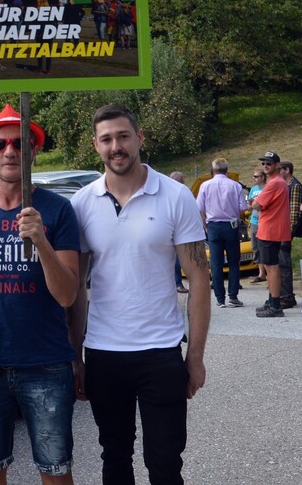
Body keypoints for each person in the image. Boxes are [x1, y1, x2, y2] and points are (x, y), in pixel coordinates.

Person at [69, 104, 210, 485]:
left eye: (123, 136)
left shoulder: (175, 195)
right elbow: (76, 290)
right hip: (103, 352)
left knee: (165, 463)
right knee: (114, 458)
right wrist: (76, 356)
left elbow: (199, 279)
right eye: (107, 139)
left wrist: (194, 357)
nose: (116, 146)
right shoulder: (81, 204)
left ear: (140, 138)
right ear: (96, 146)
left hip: (160, 352)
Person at [0, 105, 80, 484]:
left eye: (21, 143)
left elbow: (68, 295)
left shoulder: (58, 210)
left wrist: (41, 241)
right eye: (0, 144)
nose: (10, 151)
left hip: (45, 362)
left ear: (34, 151)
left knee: (55, 472)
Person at [197, 158, 247, 308]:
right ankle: (233, 295)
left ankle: (220, 298)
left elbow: (199, 207)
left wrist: (205, 223)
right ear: (227, 170)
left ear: (213, 170)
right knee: (233, 262)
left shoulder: (205, 185)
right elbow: (243, 207)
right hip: (231, 226)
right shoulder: (235, 185)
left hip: (213, 225)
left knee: (216, 263)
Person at [251, 151, 292, 316]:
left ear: (277, 165)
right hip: (271, 229)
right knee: (270, 266)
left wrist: (255, 201)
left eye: (269, 163)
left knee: (271, 267)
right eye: (264, 163)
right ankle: (272, 299)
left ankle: (276, 305)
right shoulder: (278, 182)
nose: (265, 166)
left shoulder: (274, 183)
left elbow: (256, 205)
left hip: (269, 230)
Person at [278, 160, 302, 247]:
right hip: (281, 227)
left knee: (284, 255)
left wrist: (289, 232)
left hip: (287, 230)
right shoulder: (284, 185)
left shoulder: (295, 186)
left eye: (279, 170)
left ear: (287, 170)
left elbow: (294, 212)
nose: (277, 173)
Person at [169, 171, 189, 294]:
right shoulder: (179, 193)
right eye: (182, 181)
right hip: (176, 229)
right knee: (177, 258)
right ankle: (177, 283)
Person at [247, 167, 267, 284]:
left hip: (264, 221)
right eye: (254, 176)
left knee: (264, 246)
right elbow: (249, 208)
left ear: (263, 177)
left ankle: (268, 271)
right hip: (254, 221)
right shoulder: (253, 189)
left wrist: (256, 204)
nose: (254, 178)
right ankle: (261, 273)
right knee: (255, 247)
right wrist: (250, 204)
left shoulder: (267, 188)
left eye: (256, 176)